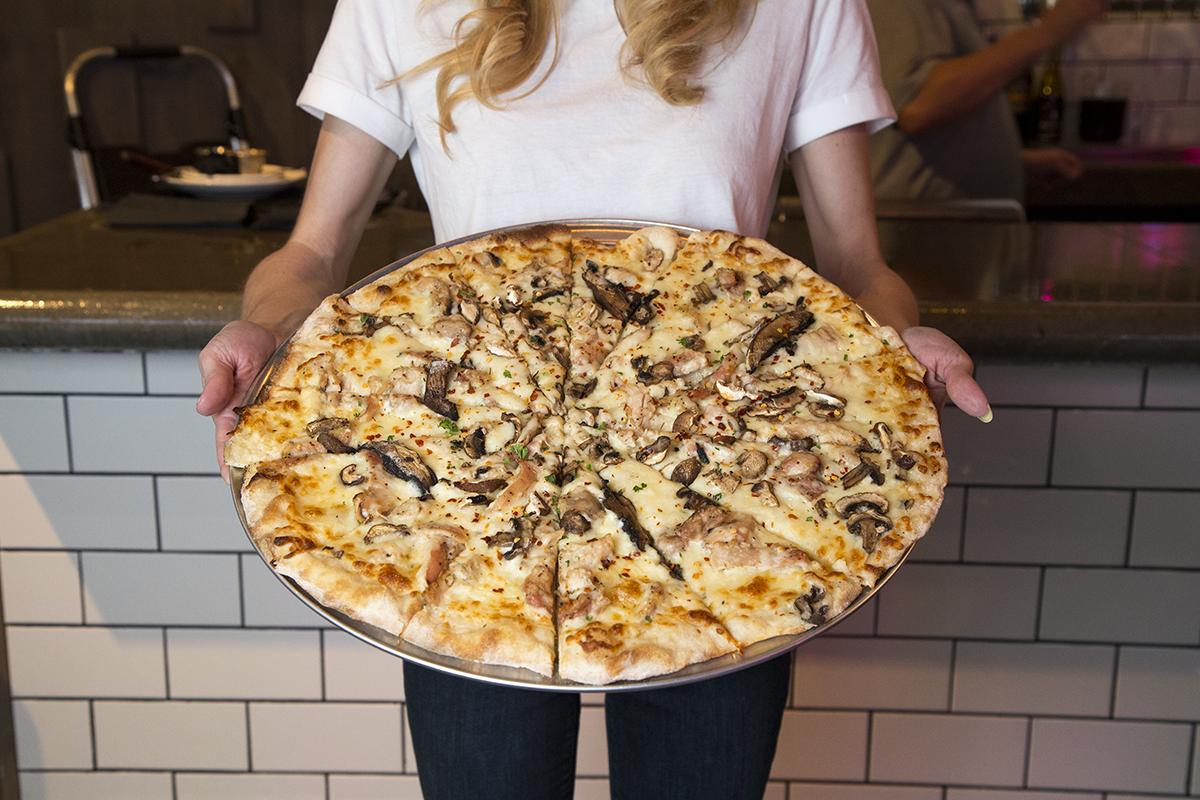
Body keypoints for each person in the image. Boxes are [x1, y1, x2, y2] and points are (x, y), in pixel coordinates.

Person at [197, 2, 991, 798]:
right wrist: (266, 330)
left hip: (719, 527)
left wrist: (891, 349)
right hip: (461, 531)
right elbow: (312, 254)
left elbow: (856, 265)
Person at [865, 0, 1107, 203]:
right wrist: (1048, 32)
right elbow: (917, 107)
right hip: (919, 242)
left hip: (944, 241)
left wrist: (1013, 162)